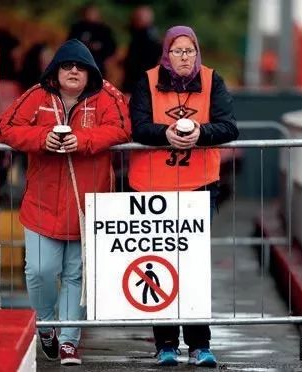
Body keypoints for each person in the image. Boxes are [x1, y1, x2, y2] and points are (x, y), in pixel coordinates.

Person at [0, 39, 131, 366]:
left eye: (81, 67)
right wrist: (42, 139)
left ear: (91, 73)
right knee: (40, 270)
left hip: (88, 206)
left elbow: (123, 128)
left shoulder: (108, 96)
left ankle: (69, 340)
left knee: (76, 275)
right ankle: (46, 325)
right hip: (42, 204)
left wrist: (82, 141)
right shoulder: (36, 96)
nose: (73, 71)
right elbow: (6, 127)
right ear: (55, 71)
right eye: (67, 65)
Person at [128, 26, 239, 367]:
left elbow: (228, 126)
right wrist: (167, 134)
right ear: (166, 53)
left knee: (191, 267)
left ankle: (199, 344)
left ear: (197, 52)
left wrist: (199, 134)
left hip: (198, 186)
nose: (184, 57)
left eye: (189, 50)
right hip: (152, 187)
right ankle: (164, 344)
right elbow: (137, 126)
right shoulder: (146, 81)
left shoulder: (212, 81)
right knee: (159, 263)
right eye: (177, 51)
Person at [67, 3, 116, 76]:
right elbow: (69, 44)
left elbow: (111, 47)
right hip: (78, 63)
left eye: (93, 13)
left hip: (97, 64)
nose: (91, 15)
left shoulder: (104, 30)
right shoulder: (77, 28)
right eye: (89, 13)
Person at [122, 5, 162, 94]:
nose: (134, 20)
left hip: (141, 81)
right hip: (135, 80)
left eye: (138, 17)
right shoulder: (137, 34)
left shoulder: (148, 37)